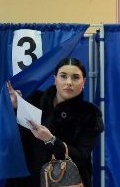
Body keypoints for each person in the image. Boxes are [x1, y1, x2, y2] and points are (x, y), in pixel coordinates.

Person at [6, 57, 104, 187]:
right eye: (63, 76)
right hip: (29, 180)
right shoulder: (34, 100)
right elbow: (15, 139)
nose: (69, 82)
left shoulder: (90, 114)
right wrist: (15, 107)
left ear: (84, 82)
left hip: (67, 182)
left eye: (75, 77)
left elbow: (81, 157)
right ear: (55, 79)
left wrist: (51, 140)